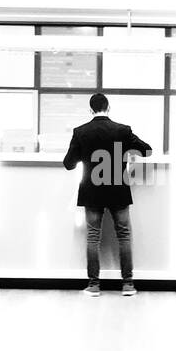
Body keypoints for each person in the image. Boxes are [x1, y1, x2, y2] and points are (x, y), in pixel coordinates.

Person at [62, 93, 152, 296]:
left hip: (91, 191)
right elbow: (146, 150)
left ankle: (94, 285)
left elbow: (69, 164)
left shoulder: (81, 132)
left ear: (91, 110)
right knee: (124, 235)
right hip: (117, 189)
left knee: (93, 237)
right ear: (108, 107)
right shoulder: (123, 130)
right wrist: (126, 153)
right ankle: (128, 284)